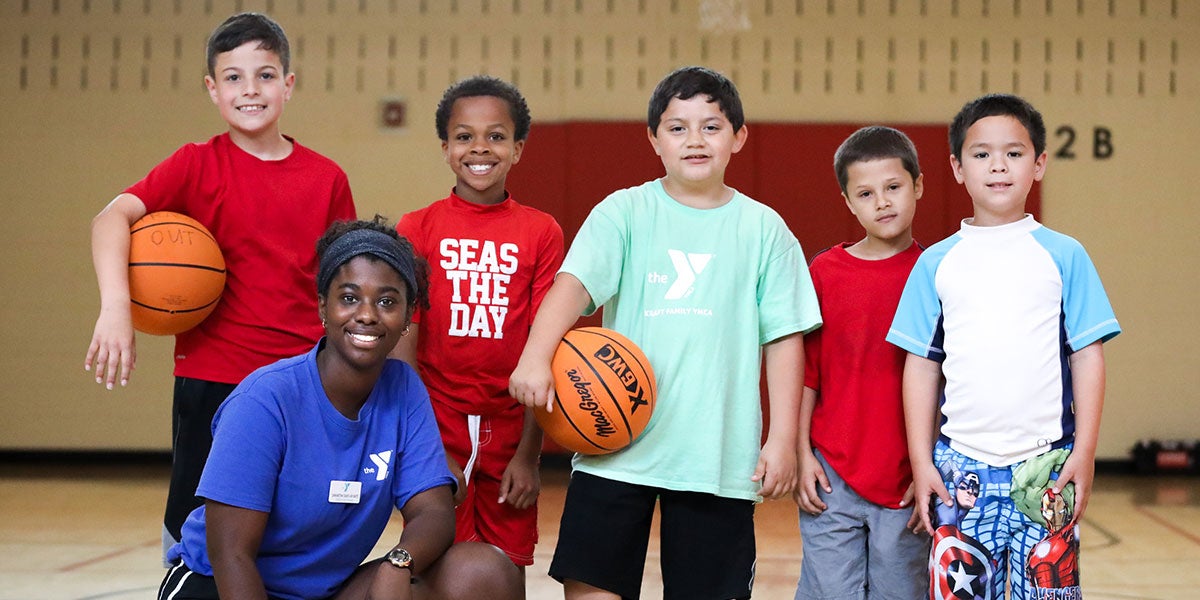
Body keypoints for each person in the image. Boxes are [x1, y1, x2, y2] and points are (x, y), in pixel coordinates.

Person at [509, 65, 822, 600]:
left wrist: (783, 438)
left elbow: (785, 338)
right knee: (592, 588)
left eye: (711, 126)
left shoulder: (764, 229)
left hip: (716, 455)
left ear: (739, 137)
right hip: (613, 441)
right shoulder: (625, 211)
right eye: (677, 127)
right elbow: (572, 285)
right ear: (653, 139)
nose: (694, 140)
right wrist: (535, 356)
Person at [82, 12, 356, 560]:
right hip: (212, 378)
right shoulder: (194, 165)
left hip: (301, 380)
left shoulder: (326, 178)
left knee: (293, 526)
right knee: (195, 529)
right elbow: (110, 218)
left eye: (265, 75)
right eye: (233, 77)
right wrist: (116, 307)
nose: (249, 90)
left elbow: (344, 285)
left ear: (288, 84)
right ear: (212, 89)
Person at [157, 218, 523, 600]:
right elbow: (232, 555)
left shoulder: (403, 389)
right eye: (349, 297)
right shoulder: (264, 401)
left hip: (321, 591)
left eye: (386, 301)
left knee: (484, 572)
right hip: (220, 585)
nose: (367, 315)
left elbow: (432, 512)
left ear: (408, 316)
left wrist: (400, 561)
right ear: (322, 306)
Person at [886, 93, 1121, 598]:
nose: (998, 166)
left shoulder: (1065, 256)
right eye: (981, 154)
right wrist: (922, 461)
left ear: (1038, 165)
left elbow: (1087, 355)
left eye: (1014, 153)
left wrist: (1085, 450)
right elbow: (921, 368)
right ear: (956, 167)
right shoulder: (936, 264)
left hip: (1047, 469)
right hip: (959, 468)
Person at [393, 75, 565, 572]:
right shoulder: (417, 226)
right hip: (437, 419)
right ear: (446, 148)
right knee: (433, 562)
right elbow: (406, 343)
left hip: (512, 426)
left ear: (518, 149)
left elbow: (544, 344)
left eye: (496, 135)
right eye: (464, 136)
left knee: (504, 566)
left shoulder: (541, 231)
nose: (480, 148)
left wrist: (529, 456)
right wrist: (425, 448)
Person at [793, 126, 929, 599]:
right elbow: (805, 375)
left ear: (918, 186)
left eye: (893, 187)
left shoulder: (936, 274)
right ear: (849, 203)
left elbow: (948, 382)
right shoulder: (825, 273)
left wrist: (927, 464)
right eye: (866, 193)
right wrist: (800, 451)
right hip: (830, 473)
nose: (883, 202)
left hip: (907, 478)